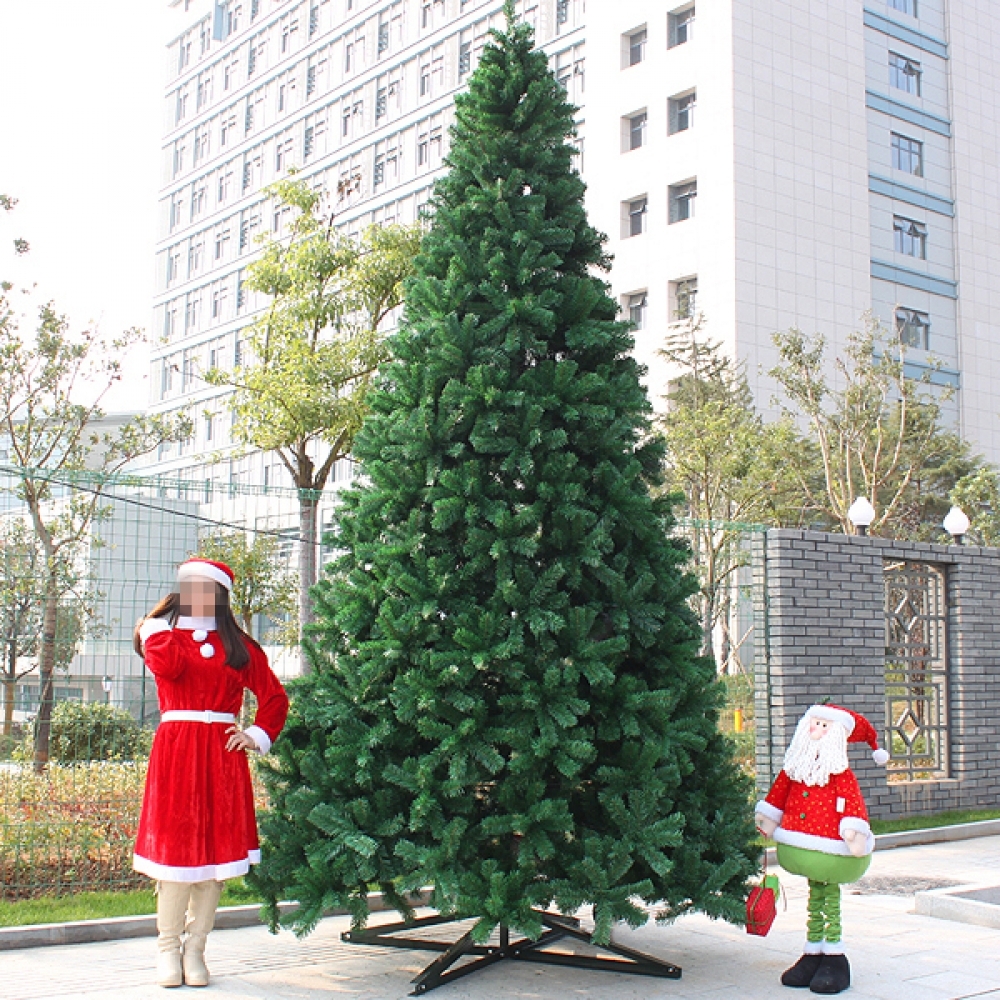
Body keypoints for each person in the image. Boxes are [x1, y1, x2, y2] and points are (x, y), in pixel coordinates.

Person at [133, 558, 289, 988]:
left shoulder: (239, 647)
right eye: (190, 587)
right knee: (175, 856)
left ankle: (196, 950)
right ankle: (168, 949)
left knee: (215, 860)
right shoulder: (163, 637)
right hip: (177, 753)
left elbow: (275, 697)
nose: (196, 595)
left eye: (206, 588)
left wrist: (255, 734)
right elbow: (168, 668)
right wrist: (153, 628)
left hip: (222, 757)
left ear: (220, 596)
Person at [755, 704, 888, 995]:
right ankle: (812, 952)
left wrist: (853, 829)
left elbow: (853, 804)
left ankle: (835, 956)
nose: (816, 730)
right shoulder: (794, 769)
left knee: (829, 897)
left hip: (832, 849)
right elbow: (778, 795)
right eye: (814, 723)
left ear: (837, 735)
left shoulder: (840, 775)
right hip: (801, 844)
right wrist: (768, 817)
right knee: (814, 894)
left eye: (824, 726)